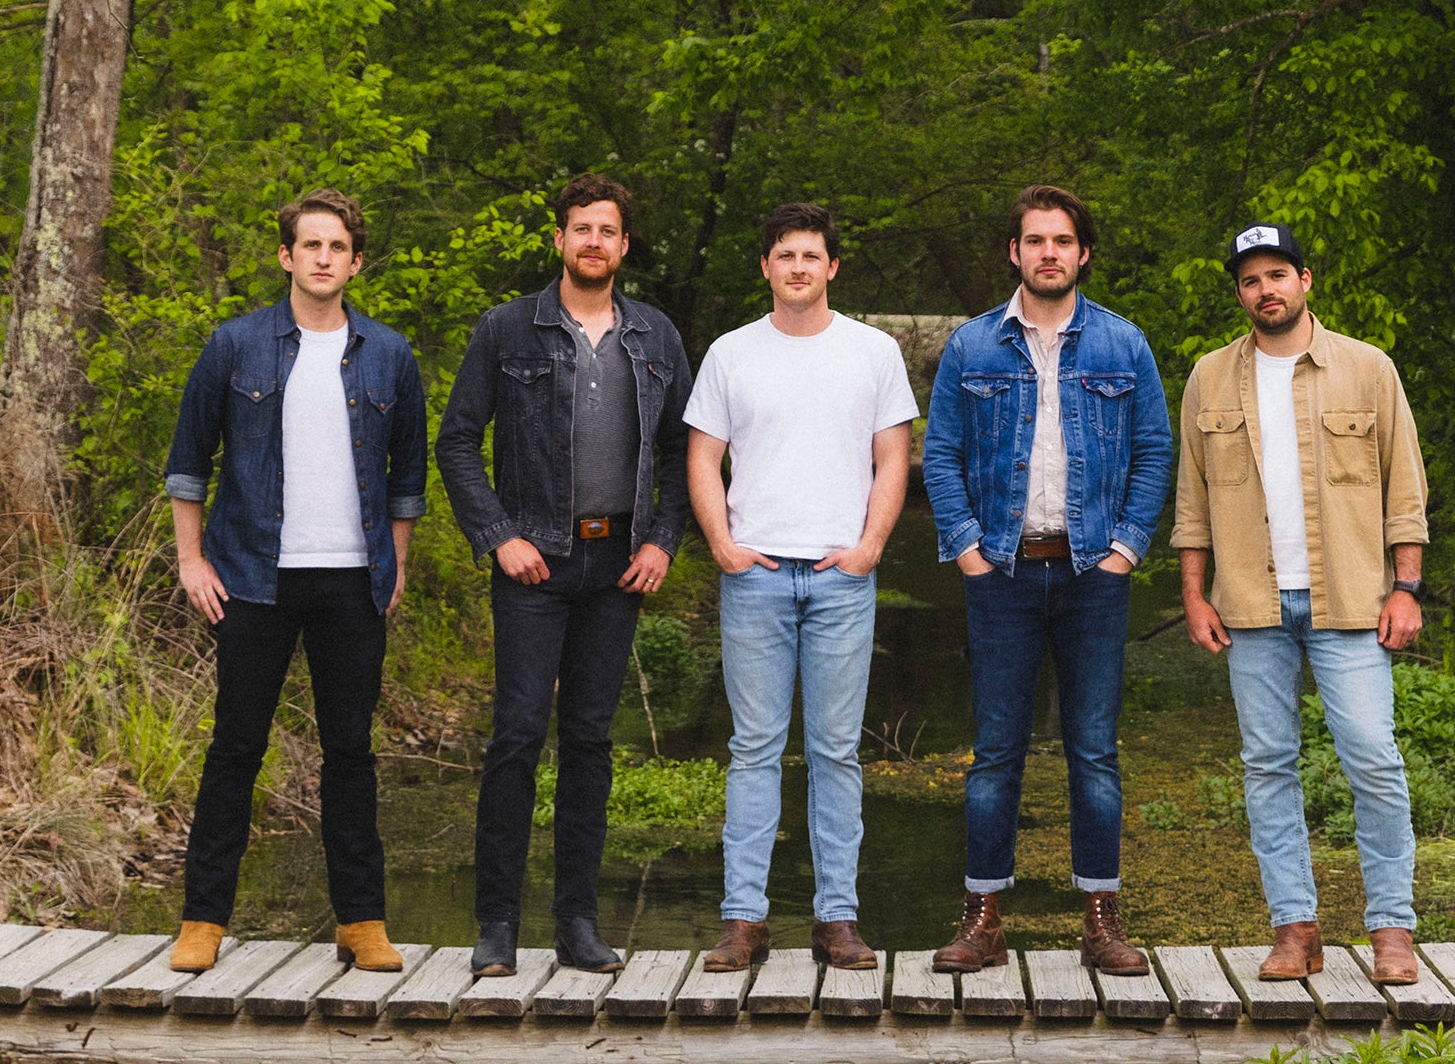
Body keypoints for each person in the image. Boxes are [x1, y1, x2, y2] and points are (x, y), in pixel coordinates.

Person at [160, 187, 428, 975]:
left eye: (337, 247)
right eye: (310, 245)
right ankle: (203, 919)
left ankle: (362, 920)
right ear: (286, 256)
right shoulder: (235, 346)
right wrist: (191, 559)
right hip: (251, 577)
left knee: (350, 751)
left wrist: (396, 563)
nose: (322, 258)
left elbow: (407, 475)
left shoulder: (388, 354)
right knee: (235, 747)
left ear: (354, 261)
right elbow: (187, 461)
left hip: (352, 580)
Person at [436, 174, 694, 978]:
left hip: (617, 564)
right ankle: (497, 925)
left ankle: (578, 922)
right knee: (516, 735)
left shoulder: (656, 337)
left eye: (607, 231)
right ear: (559, 240)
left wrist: (659, 540)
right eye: (580, 228)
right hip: (533, 562)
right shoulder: (508, 329)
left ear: (623, 245)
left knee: (589, 740)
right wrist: (497, 536)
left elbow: (691, 450)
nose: (593, 242)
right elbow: (456, 441)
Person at [922, 186, 1173, 977]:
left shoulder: (1124, 345)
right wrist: (965, 545)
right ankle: (983, 916)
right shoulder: (971, 347)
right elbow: (940, 455)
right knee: (995, 753)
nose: (1049, 253)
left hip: (1093, 575)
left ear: (1083, 253)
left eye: (1063, 241)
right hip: (1000, 572)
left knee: (1094, 752)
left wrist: (1127, 547)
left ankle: (1100, 918)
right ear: (1015, 253)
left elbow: (1154, 453)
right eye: (1035, 241)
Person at [1173, 222, 1431, 985]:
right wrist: (1194, 594)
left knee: (1373, 760)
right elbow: (1192, 501)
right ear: (1240, 293)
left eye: (1278, 274)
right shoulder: (1209, 378)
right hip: (1251, 605)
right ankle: (1295, 927)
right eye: (1251, 280)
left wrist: (1407, 586)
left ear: (1305, 279)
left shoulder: (1367, 369)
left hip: (1351, 600)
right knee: (1268, 766)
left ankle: (1391, 929)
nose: (1266, 289)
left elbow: (1405, 488)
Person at [685, 202, 918, 972]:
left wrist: (868, 549)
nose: (797, 268)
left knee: (836, 751)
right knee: (753, 747)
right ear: (766, 267)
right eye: (784, 255)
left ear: (832, 267)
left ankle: (837, 918)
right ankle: (744, 920)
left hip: (839, 579)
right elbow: (703, 457)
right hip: (754, 576)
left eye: (810, 256)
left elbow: (893, 458)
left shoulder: (872, 351)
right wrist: (723, 544)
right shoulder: (730, 353)